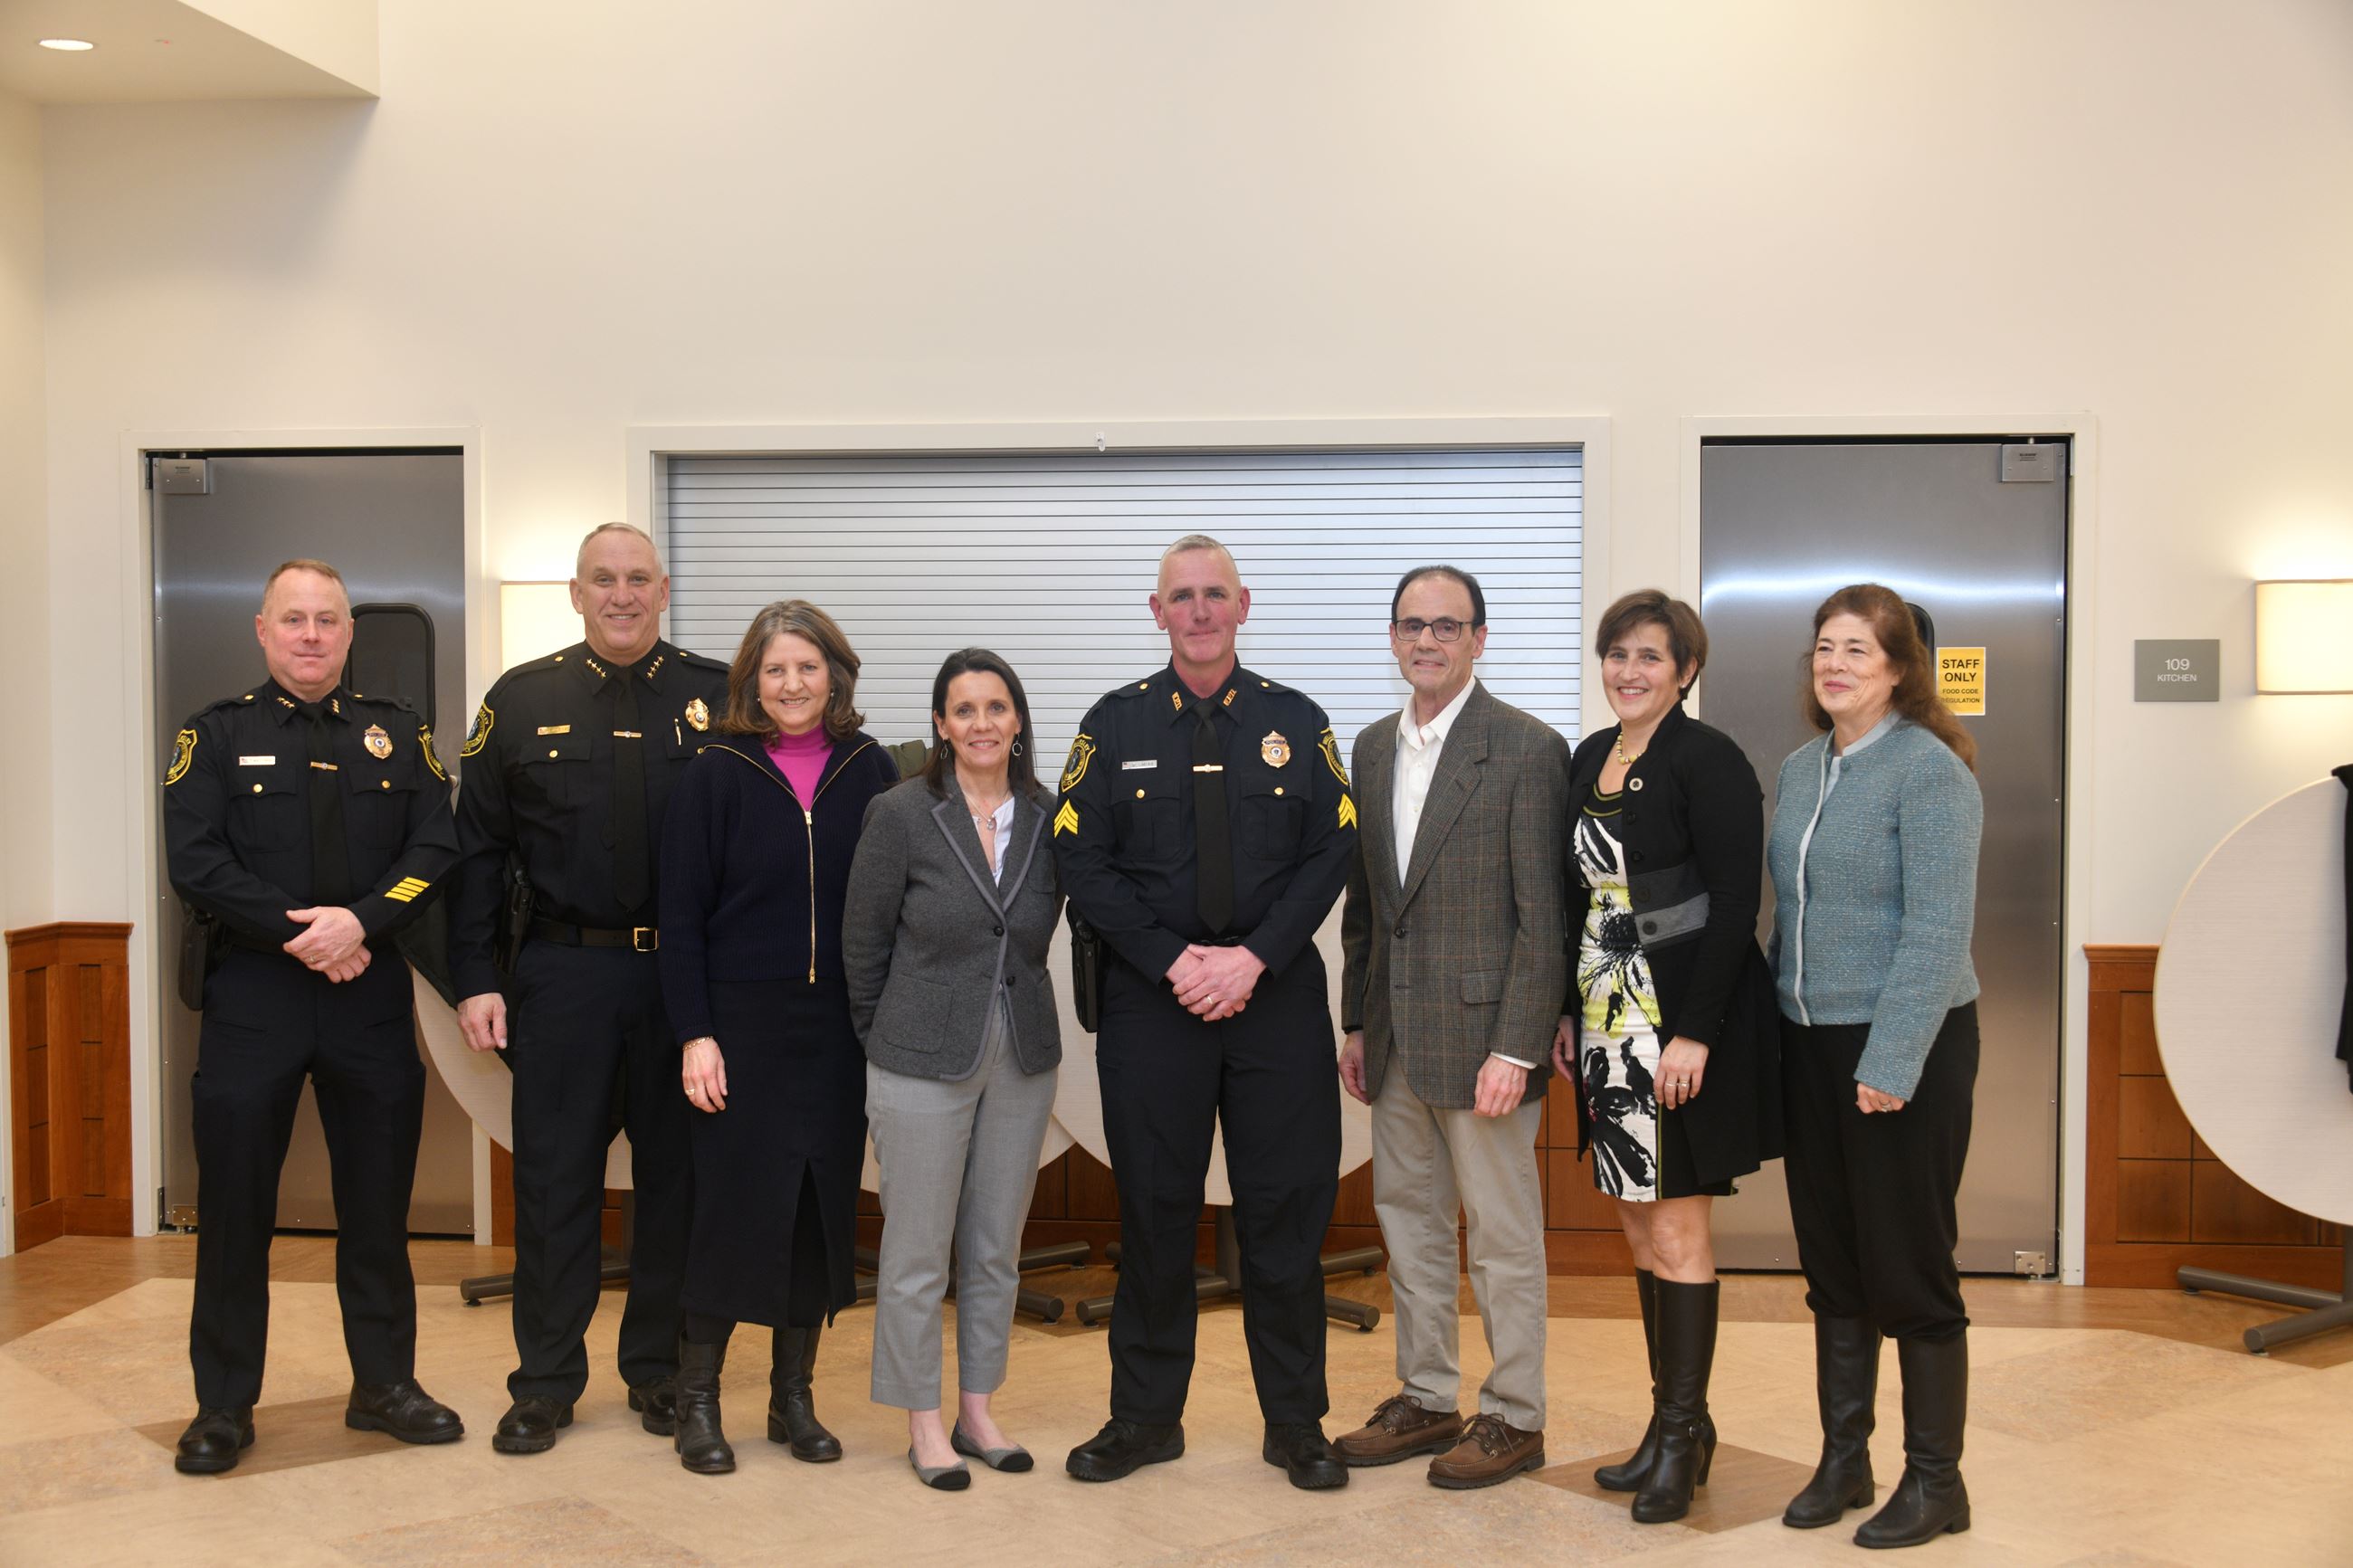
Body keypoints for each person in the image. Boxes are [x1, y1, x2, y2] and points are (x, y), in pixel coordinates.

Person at [1053, 534, 1359, 1490]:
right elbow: (1079, 858)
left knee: (1283, 1215)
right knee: (1152, 1213)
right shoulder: (1110, 725)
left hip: (1272, 1002)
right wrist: (1173, 957)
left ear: (1242, 604)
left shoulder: (1296, 720)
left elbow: (1330, 852)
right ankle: (1143, 1418)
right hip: (1154, 1004)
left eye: (1213, 593)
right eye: (1180, 596)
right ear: (1156, 612)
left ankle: (1295, 1422)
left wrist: (1252, 957)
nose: (1198, 610)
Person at [162, 558, 464, 1473]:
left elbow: (437, 843)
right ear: (261, 629)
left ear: (347, 630)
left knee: (376, 1205)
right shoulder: (213, 734)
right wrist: (307, 933)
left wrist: (363, 920)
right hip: (255, 994)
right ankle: (223, 1404)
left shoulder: (396, 733)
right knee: (235, 1210)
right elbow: (195, 860)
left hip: (367, 996)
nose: (309, 634)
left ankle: (383, 1385)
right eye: (291, 618)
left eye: (326, 618)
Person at [446, 522, 730, 1455]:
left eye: (636, 578)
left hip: (683, 981)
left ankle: (656, 1371)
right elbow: (475, 852)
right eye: (602, 579)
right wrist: (476, 977)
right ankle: (544, 1380)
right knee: (554, 1181)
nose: (620, 593)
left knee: (676, 1186)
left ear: (664, 588)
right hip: (562, 974)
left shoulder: (719, 697)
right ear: (575, 593)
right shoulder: (520, 700)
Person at [1332, 566, 1567, 1489]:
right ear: (1392, 637)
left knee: (1502, 1237)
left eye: (1446, 625)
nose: (1425, 640)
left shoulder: (1524, 746)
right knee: (1411, 1225)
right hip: (1392, 1037)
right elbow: (1367, 901)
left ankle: (1514, 1413)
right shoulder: (1370, 747)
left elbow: (1541, 915)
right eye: (1410, 625)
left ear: (1478, 637)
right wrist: (1355, 1018)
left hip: (1484, 1048)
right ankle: (1426, 1396)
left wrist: (1515, 1043)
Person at [1550, 589, 1781, 1524]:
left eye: (1650, 655)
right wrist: (1571, 1012)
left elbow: (1734, 906)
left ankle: (1680, 1440)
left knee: (1679, 1231)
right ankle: (1671, 1420)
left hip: (1677, 1019)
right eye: (1615, 653)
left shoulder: (1707, 758)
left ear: (1685, 669)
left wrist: (1695, 1030)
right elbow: (1580, 903)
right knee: (1637, 1226)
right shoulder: (1587, 758)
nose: (1628, 671)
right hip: (1606, 1017)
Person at [660, 599, 900, 1474]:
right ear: (750, 683)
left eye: (807, 666)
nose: (792, 684)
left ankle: (791, 1397)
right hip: (739, 1024)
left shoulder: (871, 770)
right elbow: (680, 917)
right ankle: (697, 1399)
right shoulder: (714, 771)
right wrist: (696, 1033)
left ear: (834, 673)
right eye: (774, 669)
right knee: (728, 1210)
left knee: (816, 1210)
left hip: (838, 1025)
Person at [1768, 583, 1982, 1549]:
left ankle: (1935, 1481)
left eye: (1857, 647)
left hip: (1904, 1044)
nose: (1834, 662)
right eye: (1823, 645)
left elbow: (1936, 932)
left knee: (1908, 1266)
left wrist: (1891, 1058)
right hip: (1810, 1043)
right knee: (1833, 1263)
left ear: (1898, 666)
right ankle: (1842, 1459)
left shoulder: (1929, 771)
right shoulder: (1800, 768)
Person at [843, 649, 1064, 1491]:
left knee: (995, 1248)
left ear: (1017, 721)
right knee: (916, 1251)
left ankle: (977, 1410)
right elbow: (863, 942)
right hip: (917, 1060)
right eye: (964, 709)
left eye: (996, 708)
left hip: (1022, 1054)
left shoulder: (1048, 813)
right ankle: (923, 1421)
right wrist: (883, 1036)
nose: (981, 724)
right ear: (940, 723)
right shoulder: (901, 813)